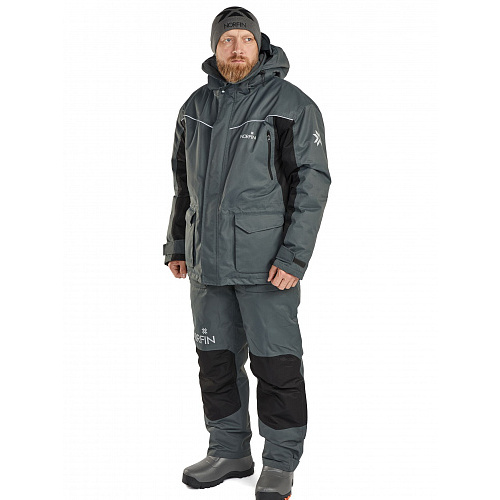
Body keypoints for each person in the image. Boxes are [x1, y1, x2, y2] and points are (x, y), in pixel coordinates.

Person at [163, 6, 331, 499]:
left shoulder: (292, 105)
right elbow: (182, 184)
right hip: (206, 265)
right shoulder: (194, 107)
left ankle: (280, 460)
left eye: (245, 39)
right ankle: (228, 450)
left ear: (260, 46)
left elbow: (312, 185)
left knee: (276, 365)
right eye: (227, 40)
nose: (236, 48)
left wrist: (293, 258)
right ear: (214, 48)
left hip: (267, 267)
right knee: (215, 361)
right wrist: (178, 244)